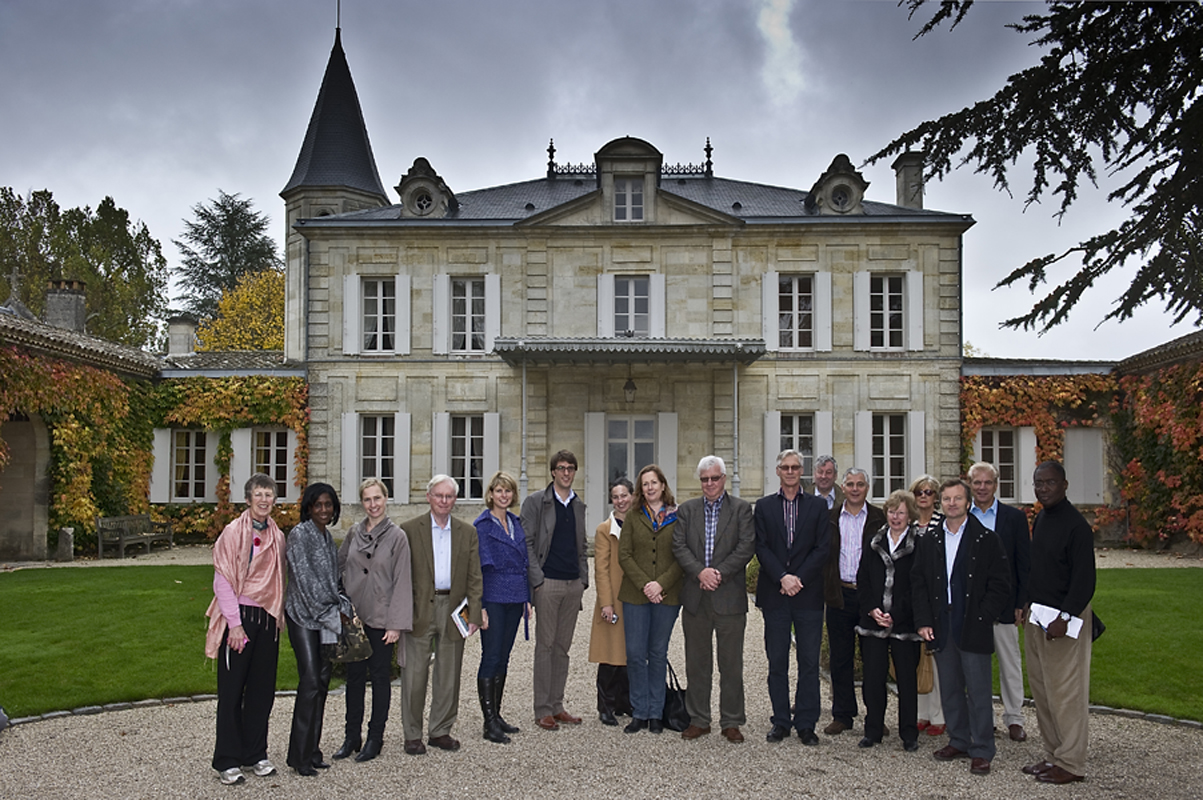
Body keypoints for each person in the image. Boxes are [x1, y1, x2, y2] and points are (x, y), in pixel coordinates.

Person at [913, 478, 1011, 777]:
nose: (951, 504)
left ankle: (981, 748)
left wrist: (984, 615)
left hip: (973, 623)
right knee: (951, 688)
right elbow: (919, 583)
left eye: (957, 499)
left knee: (979, 690)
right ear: (940, 503)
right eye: (946, 499)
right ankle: (958, 740)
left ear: (967, 502)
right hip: (942, 623)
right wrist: (924, 621)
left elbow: (1001, 584)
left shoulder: (986, 539)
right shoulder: (930, 540)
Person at [204, 473, 286, 785]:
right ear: (248, 499)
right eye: (259, 495)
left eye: (269, 495)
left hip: (268, 620)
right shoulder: (232, 533)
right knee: (232, 691)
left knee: (262, 692)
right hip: (240, 619)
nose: (264, 500)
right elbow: (222, 580)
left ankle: (255, 753)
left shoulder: (277, 536)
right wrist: (235, 626)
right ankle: (227, 759)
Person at [672, 455, 756, 743]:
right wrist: (700, 573)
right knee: (697, 662)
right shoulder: (688, 510)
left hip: (729, 596)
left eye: (714, 478)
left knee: (731, 663)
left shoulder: (742, 509)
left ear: (724, 478)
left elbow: (747, 546)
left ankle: (731, 720)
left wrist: (718, 573)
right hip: (696, 596)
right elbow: (679, 546)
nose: (710, 483)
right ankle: (699, 719)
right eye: (705, 479)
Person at [1022, 461, 1096, 785]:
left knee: (1066, 693)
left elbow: (1085, 580)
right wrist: (1026, 604)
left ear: (1064, 485)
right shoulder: (1041, 519)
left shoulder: (1076, 526)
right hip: (1038, 617)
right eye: (1039, 483)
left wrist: (1065, 617)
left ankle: (1071, 762)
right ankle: (1053, 754)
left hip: (1064, 621)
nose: (1043, 488)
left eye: (1050, 483)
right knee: (1042, 690)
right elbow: (1040, 568)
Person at [399, 475, 483, 755]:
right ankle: (412, 734)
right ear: (428, 497)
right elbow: (400, 576)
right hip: (420, 607)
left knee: (449, 674)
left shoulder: (467, 532)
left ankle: (440, 730)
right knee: (414, 675)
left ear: (455, 500)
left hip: (454, 608)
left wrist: (474, 614)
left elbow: (475, 577)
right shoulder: (410, 530)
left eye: (449, 496)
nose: (444, 501)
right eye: (439, 495)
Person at [754, 449, 831, 745]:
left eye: (795, 467)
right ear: (777, 471)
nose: (790, 471)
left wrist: (798, 578)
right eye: (785, 467)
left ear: (802, 471)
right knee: (777, 661)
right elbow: (761, 547)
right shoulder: (763, 507)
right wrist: (782, 578)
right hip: (776, 594)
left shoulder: (817, 506)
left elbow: (822, 548)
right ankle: (781, 720)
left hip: (807, 595)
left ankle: (807, 723)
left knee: (809, 661)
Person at [335, 478, 413, 763]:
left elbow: (403, 581)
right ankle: (351, 737)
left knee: (380, 679)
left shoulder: (397, 537)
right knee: (354, 679)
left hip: (382, 620)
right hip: (355, 618)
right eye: (367, 499)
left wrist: (396, 624)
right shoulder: (355, 532)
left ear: (386, 499)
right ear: (362, 502)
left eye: (377, 498)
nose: (372, 504)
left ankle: (375, 738)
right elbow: (339, 564)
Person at [284, 482, 352, 775]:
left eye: (328, 505)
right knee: (310, 681)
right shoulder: (300, 535)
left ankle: (313, 750)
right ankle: (298, 757)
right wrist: (333, 608)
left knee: (322, 684)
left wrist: (343, 605)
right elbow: (306, 582)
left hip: (326, 618)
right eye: (318, 505)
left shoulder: (327, 538)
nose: (323, 510)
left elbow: (334, 581)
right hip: (303, 617)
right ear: (308, 507)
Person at [521, 450, 589, 731]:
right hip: (547, 583)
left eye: (570, 468)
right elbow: (526, 544)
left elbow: (582, 547)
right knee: (545, 647)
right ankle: (543, 709)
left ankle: (558, 705)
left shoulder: (577, 505)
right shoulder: (536, 502)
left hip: (573, 585)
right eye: (561, 468)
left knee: (562, 648)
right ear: (552, 472)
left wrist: (583, 580)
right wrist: (538, 581)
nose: (566, 473)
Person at [967, 461, 1032, 742]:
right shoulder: (958, 516)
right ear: (969, 485)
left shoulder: (1013, 518)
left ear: (996, 485)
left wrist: (1022, 602)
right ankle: (983, 717)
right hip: (970, 605)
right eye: (977, 483)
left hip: (1005, 603)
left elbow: (1024, 564)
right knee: (974, 665)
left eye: (987, 482)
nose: (982, 488)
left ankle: (1014, 717)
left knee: (1009, 663)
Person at [617, 464, 683, 734]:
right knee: (634, 654)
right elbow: (624, 555)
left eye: (654, 482)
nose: (650, 487)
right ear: (640, 490)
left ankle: (656, 713)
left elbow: (682, 555)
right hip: (636, 594)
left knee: (657, 653)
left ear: (663, 485)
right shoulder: (633, 516)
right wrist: (646, 584)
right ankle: (639, 712)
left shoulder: (678, 516)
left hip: (667, 596)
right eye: (645, 484)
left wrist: (660, 585)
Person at [855, 489, 922, 752]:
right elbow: (863, 579)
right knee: (873, 679)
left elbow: (919, 585)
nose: (896, 517)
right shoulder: (874, 541)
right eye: (892, 512)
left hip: (905, 624)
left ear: (910, 515)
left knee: (906, 680)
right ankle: (873, 730)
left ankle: (909, 733)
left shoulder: (920, 544)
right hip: (873, 623)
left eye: (901, 512)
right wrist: (872, 609)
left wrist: (897, 613)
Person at [822, 468, 885, 736]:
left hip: (869, 597)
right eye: (850, 484)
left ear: (867, 488)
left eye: (860, 484)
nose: (855, 488)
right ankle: (843, 714)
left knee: (873, 661)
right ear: (843, 487)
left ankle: (875, 717)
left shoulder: (879, 518)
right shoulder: (831, 518)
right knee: (840, 658)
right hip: (840, 595)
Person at [473, 471, 529, 744]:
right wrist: (480, 606)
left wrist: (527, 597)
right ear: (491, 494)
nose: (503, 495)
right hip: (493, 597)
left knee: (504, 657)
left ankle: (497, 714)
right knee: (491, 656)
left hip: (515, 597)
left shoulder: (516, 523)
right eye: (499, 491)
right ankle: (488, 722)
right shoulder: (482, 525)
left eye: (508, 491)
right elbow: (477, 569)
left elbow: (524, 563)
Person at [588, 478, 635, 726]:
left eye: (624, 495)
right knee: (609, 655)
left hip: (634, 598)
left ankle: (623, 701)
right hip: (613, 600)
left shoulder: (640, 524)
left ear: (632, 496)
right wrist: (606, 603)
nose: (620, 500)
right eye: (616, 496)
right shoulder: (604, 530)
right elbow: (601, 569)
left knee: (629, 653)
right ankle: (604, 705)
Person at [909, 474, 946, 737]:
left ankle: (939, 715)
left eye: (930, 492)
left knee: (937, 659)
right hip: (911, 599)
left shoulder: (943, 525)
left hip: (936, 599)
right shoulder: (907, 525)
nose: (924, 496)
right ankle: (920, 713)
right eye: (920, 492)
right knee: (915, 659)